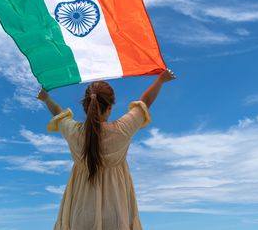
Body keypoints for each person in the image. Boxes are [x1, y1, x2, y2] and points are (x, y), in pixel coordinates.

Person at [37, 69, 176, 230]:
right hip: (116, 214)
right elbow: (145, 102)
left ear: (85, 106)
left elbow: (58, 114)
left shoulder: (75, 132)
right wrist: (160, 80)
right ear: (109, 107)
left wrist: (46, 98)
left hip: (80, 215)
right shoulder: (122, 130)